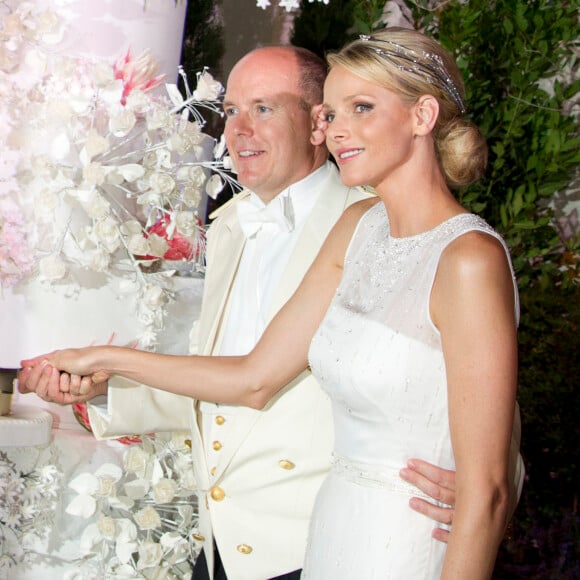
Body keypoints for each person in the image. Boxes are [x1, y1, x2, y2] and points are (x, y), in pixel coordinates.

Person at [20, 33, 523, 579]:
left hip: (399, 542)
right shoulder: (352, 228)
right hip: (324, 536)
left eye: (361, 109)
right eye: (334, 113)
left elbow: (490, 465)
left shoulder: (468, 258)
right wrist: (105, 362)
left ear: (423, 115)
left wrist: (492, 490)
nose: (339, 131)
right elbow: (254, 375)